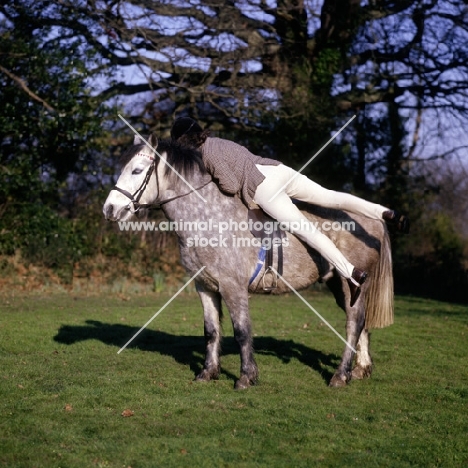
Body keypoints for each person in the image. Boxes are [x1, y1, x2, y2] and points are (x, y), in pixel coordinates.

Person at [170, 117, 409, 307]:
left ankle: (351, 273)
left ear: (183, 141)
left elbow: (231, 185)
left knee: (309, 232)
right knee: (330, 197)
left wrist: (216, 181)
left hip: (264, 189)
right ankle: (383, 212)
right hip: (275, 169)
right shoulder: (219, 142)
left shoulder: (208, 154)